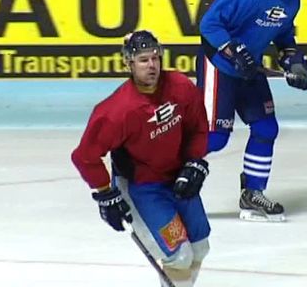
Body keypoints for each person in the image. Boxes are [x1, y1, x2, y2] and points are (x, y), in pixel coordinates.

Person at [71, 30, 210, 287]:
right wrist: (105, 193)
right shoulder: (117, 111)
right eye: (144, 60)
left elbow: (198, 127)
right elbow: (85, 156)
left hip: (178, 179)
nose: (152, 65)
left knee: (200, 247)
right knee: (179, 256)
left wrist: (195, 161)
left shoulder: (180, 87)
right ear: (129, 63)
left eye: (156, 58)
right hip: (143, 189)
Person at [196, 0, 307, 222]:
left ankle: (252, 193)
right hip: (219, 66)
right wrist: (232, 49)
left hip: (249, 71)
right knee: (215, 138)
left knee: (266, 128)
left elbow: (284, 36)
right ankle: (160, 178)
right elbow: (208, 24)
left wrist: (292, 59)